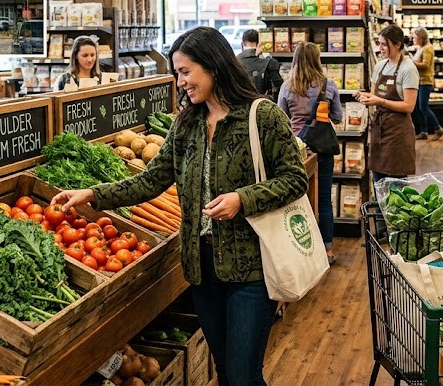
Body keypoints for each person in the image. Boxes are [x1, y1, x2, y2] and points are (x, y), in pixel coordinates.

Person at [52, 26, 308, 386]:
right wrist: (91, 195)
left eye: (186, 72)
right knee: (224, 371)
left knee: (243, 376)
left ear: (214, 65)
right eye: (177, 73)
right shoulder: (186, 123)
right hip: (201, 268)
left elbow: (295, 179)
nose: (180, 82)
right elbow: (150, 180)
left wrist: (242, 199)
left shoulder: (260, 116)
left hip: (251, 267)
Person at [277, 42, 343, 264]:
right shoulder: (328, 85)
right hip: (322, 147)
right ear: (317, 59)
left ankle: (300, 252)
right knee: (324, 199)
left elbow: (281, 119)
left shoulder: (287, 86)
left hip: (296, 149)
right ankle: (327, 251)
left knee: (296, 201)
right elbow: (338, 117)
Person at [355, 25, 419, 181]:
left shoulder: (408, 69)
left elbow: (409, 106)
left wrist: (380, 101)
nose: (380, 48)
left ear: (397, 45)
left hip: (398, 132)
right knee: (378, 180)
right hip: (379, 129)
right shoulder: (379, 66)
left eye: (384, 44)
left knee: (396, 186)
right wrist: (364, 96)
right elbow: (374, 95)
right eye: (379, 43)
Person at [410, 27, 443, 140]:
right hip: (419, 81)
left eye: (415, 37)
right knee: (418, 108)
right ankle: (424, 131)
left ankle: (438, 128)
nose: (413, 38)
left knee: (423, 107)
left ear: (421, 37)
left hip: (425, 81)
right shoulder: (421, 48)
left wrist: (411, 62)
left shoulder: (428, 49)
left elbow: (425, 65)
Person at [237, 29, 283, 100]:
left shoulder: (234, 61)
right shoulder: (269, 62)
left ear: (242, 44)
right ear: (259, 44)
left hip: (239, 103)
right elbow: (279, 87)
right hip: (262, 104)